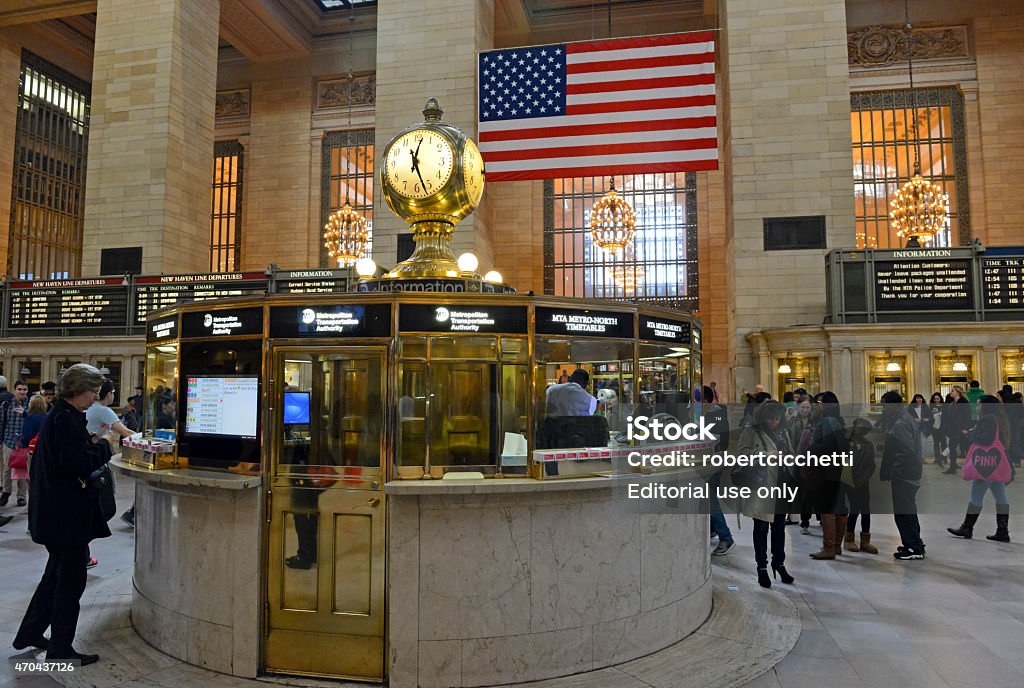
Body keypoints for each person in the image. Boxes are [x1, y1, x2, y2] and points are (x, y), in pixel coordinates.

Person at [14, 364, 112, 665]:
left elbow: (66, 456)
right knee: (70, 582)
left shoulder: (62, 415)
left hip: (54, 514)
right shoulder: (65, 420)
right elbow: (77, 463)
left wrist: (90, 443)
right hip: (66, 517)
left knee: (54, 577)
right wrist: (105, 447)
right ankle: (60, 649)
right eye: (92, 392)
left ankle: (29, 633)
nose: (95, 398)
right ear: (77, 390)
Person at [737, 400, 794, 588]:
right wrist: (765, 455)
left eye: (777, 418)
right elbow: (742, 455)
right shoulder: (751, 431)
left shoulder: (783, 432)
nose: (774, 422)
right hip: (761, 486)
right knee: (761, 528)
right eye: (770, 418)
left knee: (779, 528)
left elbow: (790, 453)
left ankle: (779, 563)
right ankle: (762, 567)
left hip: (781, 485)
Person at [947, 395, 1014, 542]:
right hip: (996, 463)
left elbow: (986, 439)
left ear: (985, 406)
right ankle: (1003, 531)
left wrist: (971, 433)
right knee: (1000, 497)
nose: (976, 408)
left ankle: (967, 527)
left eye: (978, 405)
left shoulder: (987, 419)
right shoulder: (999, 418)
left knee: (976, 496)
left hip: (985, 464)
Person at [878, 390, 925, 560]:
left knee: (903, 513)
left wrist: (894, 470)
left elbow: (906, 451)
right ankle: (915, 543)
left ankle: (913, 547)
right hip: (909, 472)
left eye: (884, 405)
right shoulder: (905, 419)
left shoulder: (900, 423)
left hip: (904, 474)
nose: (883, 408)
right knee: (909, 511)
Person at [88, 379, 137, 532]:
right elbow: (126, 432)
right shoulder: (104, 410)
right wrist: (149, 439)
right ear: (108, 394)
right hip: (97, 460)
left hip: (92, 457)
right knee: (106, 502)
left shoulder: (91, 408)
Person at [807, 391, 847, 560]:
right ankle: (836, 546)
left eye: (819, 402)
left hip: (826, 469)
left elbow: (828, 447)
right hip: (838, 468)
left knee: (827, 508)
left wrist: (812, 446)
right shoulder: (838, 421)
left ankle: (828, 547)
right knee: (838, 508)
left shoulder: (826, 421)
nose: (817, 405)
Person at [703, 386, 734, 556]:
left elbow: (718, 441)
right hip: (712, 461)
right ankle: (713, 529)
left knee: (710, 499)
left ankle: (726, 537)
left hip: (713, 462)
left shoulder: (715, 416)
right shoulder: (710, 414)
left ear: (705, 401)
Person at [843, 418, 878, 554]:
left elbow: (871, 465)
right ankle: (849, 538)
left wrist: (863, 479)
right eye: (859, 428)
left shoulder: (868, 444)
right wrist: (850, 481)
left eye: (864, 429)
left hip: (863, 482)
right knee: (854, 510)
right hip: (850, 483)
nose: (861, 431)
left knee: (866, 510)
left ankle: (865, 541)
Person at [1, 379, 31, 507]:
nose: (22, 392)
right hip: (9, 439)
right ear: (15, 390)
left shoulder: (30, 404)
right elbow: (1, 423)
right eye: (19, 389)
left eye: (24, 389)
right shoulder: (6, 404)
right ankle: (6, 492)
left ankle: (21, 496)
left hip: (24, 441)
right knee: (7, 468)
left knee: (22, 468)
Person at [943, 387, 971, 475]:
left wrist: (965, 428)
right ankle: (952, 467)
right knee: (952, 447)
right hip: (954, 429)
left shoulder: (963, 402)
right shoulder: (952, 403)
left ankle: (970, 467)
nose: (950, 392)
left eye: (952, 391)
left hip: (961, 429)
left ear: (958, 392)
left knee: (966, 448)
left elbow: (967, 416)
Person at [929, 392, 946, 466]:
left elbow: (946, 416)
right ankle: (936, 458)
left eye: (938, 398)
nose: (936, 400)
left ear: (940, 399)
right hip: (934, 427)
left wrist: (940, 412)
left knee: (943, 443)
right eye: (935, 399)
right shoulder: (931, 407)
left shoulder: (944, 406)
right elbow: (929, 417)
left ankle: (944, 457)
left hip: (942, 427)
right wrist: (932, 413)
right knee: (936, 443)